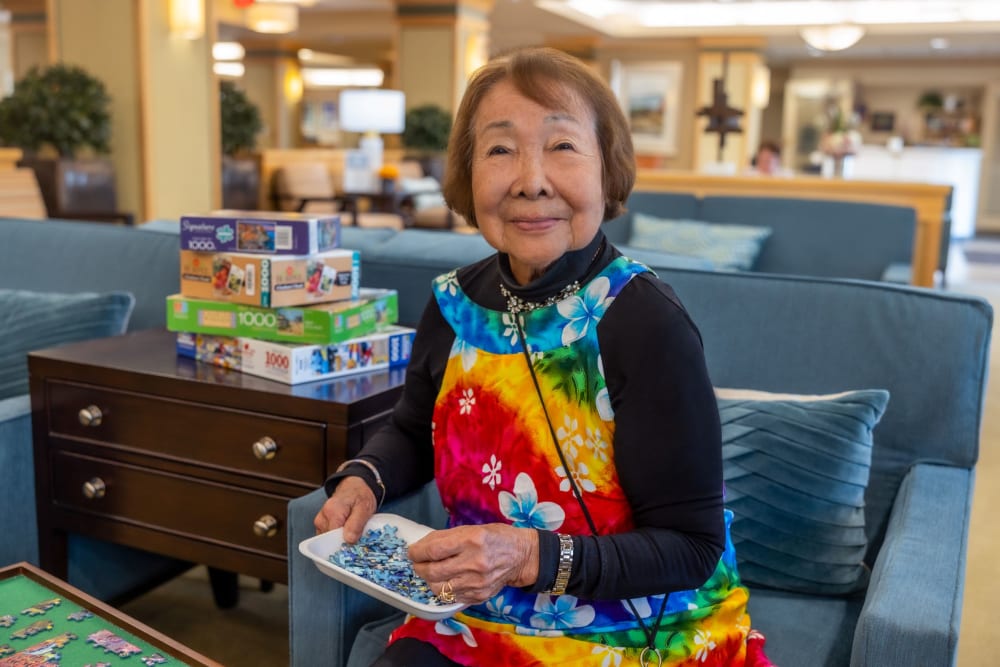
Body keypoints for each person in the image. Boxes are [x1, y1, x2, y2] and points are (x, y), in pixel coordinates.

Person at [315, 46, 773, 667]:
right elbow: (411, 430)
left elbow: (692, 548)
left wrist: (528, 556)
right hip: (473, 613)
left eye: (561, 147)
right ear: (467, 175)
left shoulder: (647, 323)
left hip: (637, 630)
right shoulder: (454, 304)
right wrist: (365, 480)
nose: (531, 179)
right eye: (500, 149)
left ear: (606, 172)